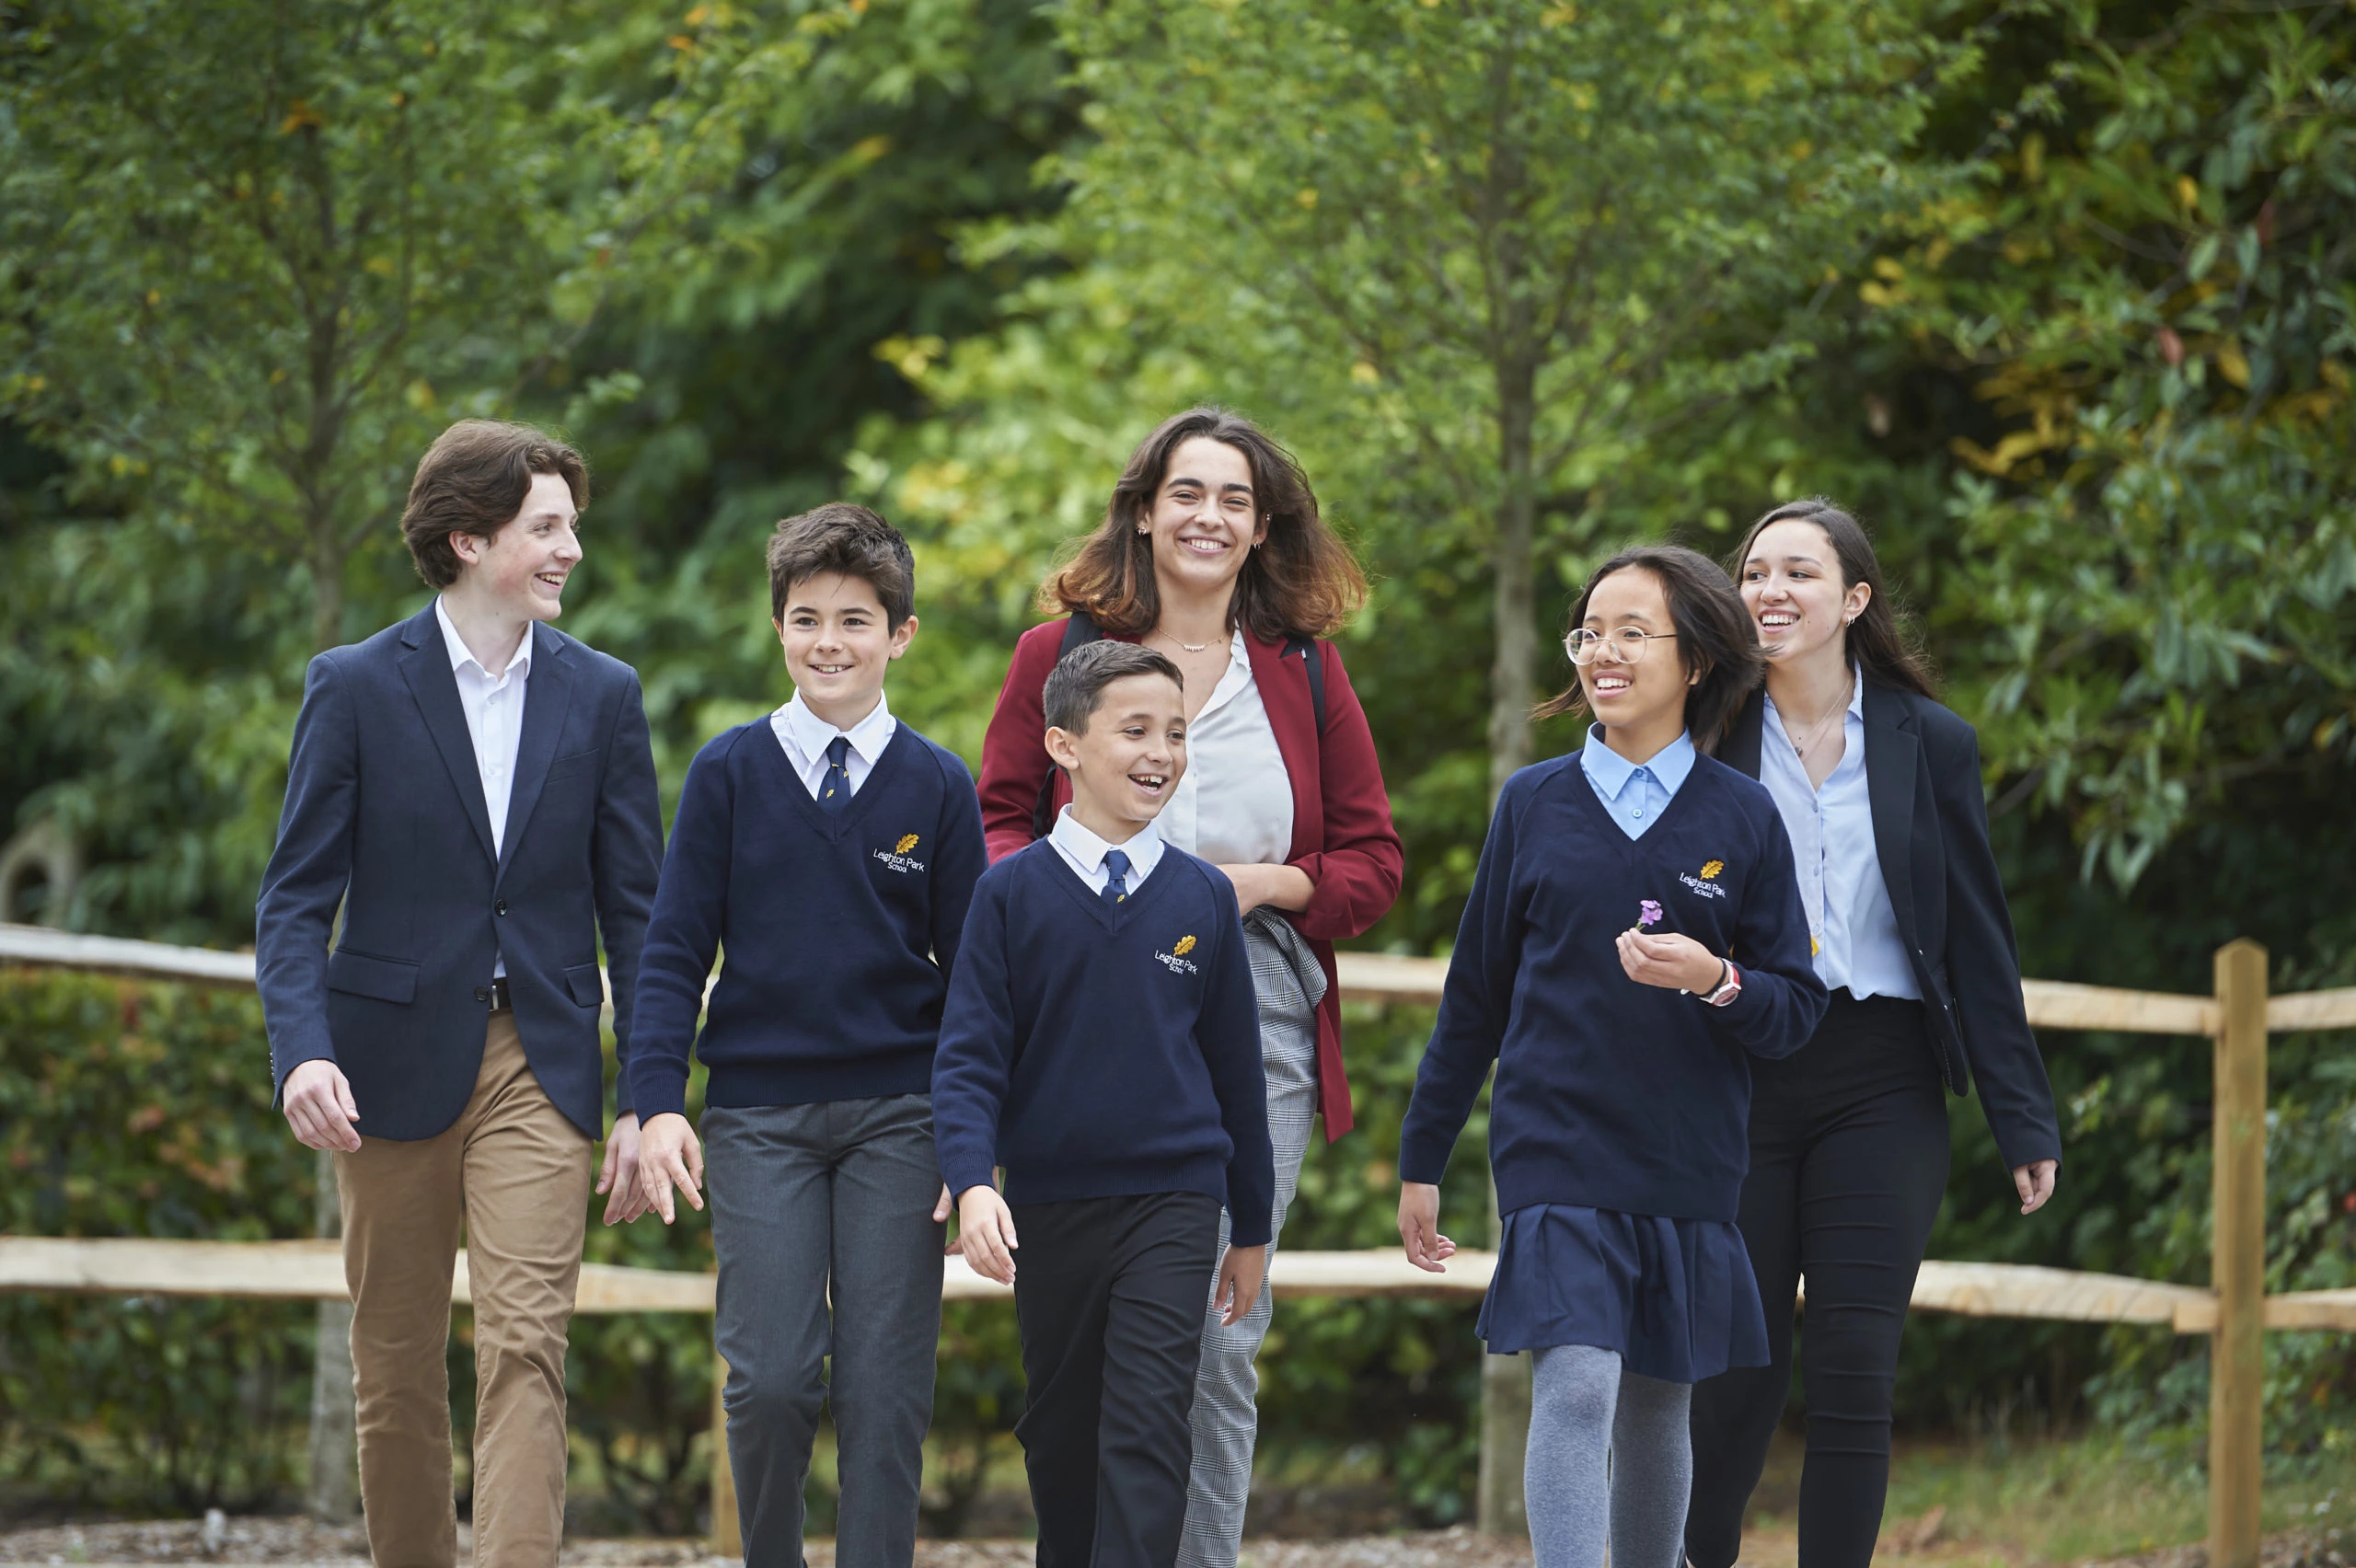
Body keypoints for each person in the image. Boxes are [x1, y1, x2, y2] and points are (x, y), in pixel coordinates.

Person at [974, 408, 1401, 1566]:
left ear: (1264, 529)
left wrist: (1253, 887)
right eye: (1188, 493)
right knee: (1086, 1342)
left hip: (1249, 1010)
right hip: (1073, 1010)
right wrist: (1067, 906)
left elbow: (1372, 861)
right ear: (1146, 508)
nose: (1208, 517)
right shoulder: (1054, 658)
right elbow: (998, 823)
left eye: (1235, 501)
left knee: (1216, 1334)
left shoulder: (1303, 672)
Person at [255, 420, 664, 1568]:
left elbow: (639, 918)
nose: (571, 549)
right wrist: (302, 1051)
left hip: (541, 1059)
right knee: (392, 1366)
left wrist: (649, 1093)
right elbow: (293, 900)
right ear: (469, 538)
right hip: (380, 1070)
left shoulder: (604, 697)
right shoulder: (351, 688)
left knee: (526, 1347)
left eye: (570, 527)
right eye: (547, 528)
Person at [1395, 546, 1829, 1568]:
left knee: (1653, 1410)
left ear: (1696, 662)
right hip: (1556, 1149)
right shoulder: (1531, 804)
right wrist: (1424, 1157)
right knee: (1579, 1383)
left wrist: (1713, 979)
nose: (1603, 653)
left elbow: (1795, 1008)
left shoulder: (1745, 816)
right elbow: (1474, 999)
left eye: (1634, 633)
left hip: (1687, 1155)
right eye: (1591, 631)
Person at [1686, 498, 2062, 1568]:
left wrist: (2021, 1116)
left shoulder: (1928, 743)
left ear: (1853, 599)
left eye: (1798, 573)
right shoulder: (1705, 729)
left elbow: (1976, 940)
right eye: (1755, 572)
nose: (1769, 590)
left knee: (1855, 1366)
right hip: (1737, 1072)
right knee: (1730, 1382)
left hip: (1882, 1082)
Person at [628, 503, 987, 1566]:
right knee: (774, 1379)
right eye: (806, 618)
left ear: (901, 635)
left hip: (902, 1122)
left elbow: (976, 986)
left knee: (883, 1393)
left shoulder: (938, 785)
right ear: (776, 628)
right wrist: (653, 1106)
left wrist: (976, 1146)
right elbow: (671, 952)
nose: (829, 642)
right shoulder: (728, 774)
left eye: (855, 621)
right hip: (758, 1120)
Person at [937, 639, 1278, 1568]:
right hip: (1049, 1205)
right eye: (1135, 730)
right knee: (1060, 1434)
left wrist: (1249, 1230)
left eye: (1175, 732)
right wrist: (972, 1182)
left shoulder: (1204, 898)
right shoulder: (1007, 896)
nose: (1160, 751)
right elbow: (969, 1055)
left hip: (1175, 1200)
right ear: (1062, 746)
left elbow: (1235, 1077)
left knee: (1147, 1422)